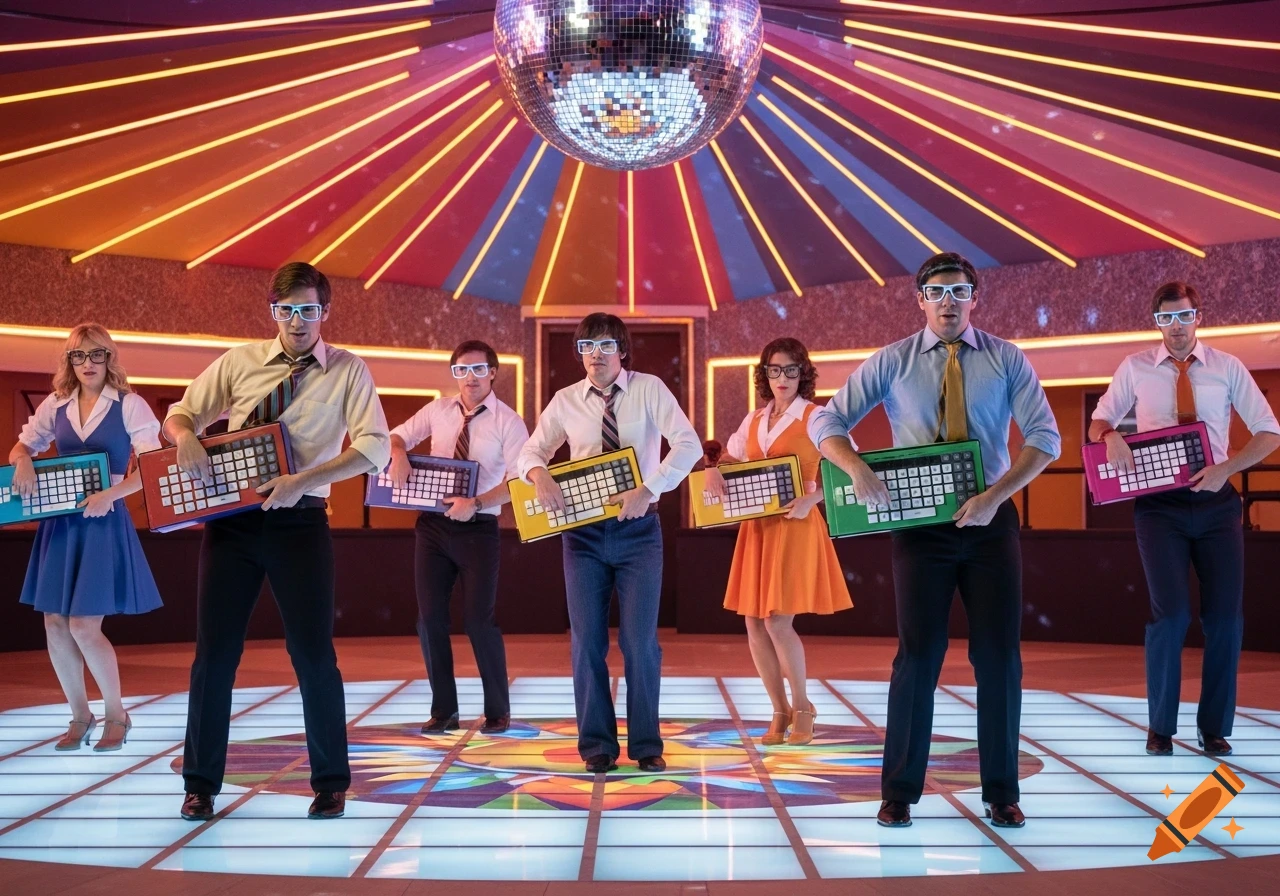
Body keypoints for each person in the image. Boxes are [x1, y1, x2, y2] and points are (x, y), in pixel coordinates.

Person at [809, 252, 1061, 829]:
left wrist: (997, 495)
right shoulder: (893, 361)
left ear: (976, 297)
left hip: (991, 523)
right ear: (919, 299)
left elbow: (1047, 438)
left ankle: (1002, 792)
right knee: (917, 658)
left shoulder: (1006, 359)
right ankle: (899, 791)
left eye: (960, 290)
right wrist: (856, 467)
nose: (949, 301)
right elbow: (825, 421)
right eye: (937, 291)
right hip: (920, 529)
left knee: (998, 659)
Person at [164, 262, 390, 821]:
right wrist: (186, 436)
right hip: (233, 523)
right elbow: (182, 412)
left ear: (325, 313)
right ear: (273, 312)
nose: (296, 320)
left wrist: (302, 481)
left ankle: (331, 783)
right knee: (214, 657)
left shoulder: (348, 371)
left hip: (301, 522)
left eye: (307, 309)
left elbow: (375, 449)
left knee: (314, 657)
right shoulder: (240, 361)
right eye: (285, 309)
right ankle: (200, 785)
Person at [1089, 281, 1280, 757]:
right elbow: (1098, 420)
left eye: (1184, 317)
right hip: (1159, 509)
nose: (1176, 327)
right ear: (1156, 323)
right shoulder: (1135, 368)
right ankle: (1160, 727)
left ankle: (1213, 728)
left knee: (1225, 620)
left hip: (1217, 504)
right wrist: (1109, 433)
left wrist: (1225, 469)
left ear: (1199, 316)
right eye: (1166, 319)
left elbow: (1269, 432)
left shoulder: (1227, 367)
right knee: (1170, 616)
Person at [517, 313, 700, 773]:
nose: (594, 355)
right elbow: (530, 450)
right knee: (587, 643)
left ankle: (646, 744)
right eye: (585, 347)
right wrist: (538, 474)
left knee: (640, 643)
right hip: (582, 536)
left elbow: (688, 444)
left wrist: (650, 487)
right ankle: (596, 745)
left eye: (603, 345)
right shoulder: (565, 401)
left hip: (640, 532)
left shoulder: (649, 388)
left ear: (622, 349)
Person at [10, 324, 164, 753]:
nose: (88, 364)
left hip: (102, 521)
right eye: (78, 356)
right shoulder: (56, 404)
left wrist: (110, 496)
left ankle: (117, 713)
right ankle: (81, 715)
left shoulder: (130, 405)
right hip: (60, 524)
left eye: (96, 355)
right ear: (69, 362)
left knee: (83, 625)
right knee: (55, 623)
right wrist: (22, 459)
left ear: (110, 359)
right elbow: (22, 447)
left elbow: (151, 467)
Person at [705, 337, 853, 747]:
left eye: (790, 369)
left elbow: (847, 468)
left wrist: (812, 499)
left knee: (777, 619)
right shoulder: (753, 420)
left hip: (796, 522)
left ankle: (803, 704)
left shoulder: (817, 417)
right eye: (774, 369)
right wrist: (715, 468)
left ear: (803, 373)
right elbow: (733, 459)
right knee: (753, 620)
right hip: (757, 527)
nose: (782, 377)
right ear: (764, 374)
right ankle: (779, 709)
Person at [388, 340, 528, 735]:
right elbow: (397, 436)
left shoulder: (509, 422)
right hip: (432, 527)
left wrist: (477, 502)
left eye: (478, 369)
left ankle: (497, 710)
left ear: (493, 372)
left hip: (479, 530)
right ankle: (444, 710)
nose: (470, 378)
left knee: (478, 621)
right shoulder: (438, 409)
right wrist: (399, 453)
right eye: (461, 370)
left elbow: (518, 480)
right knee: (429, 619)